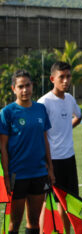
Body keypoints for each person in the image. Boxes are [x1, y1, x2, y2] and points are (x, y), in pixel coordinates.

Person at [0, 70, 55, 234]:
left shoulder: (40, 109)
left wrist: (50, 169)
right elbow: (2, 147)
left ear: (32, 86)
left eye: (28, 85)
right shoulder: (7, 112)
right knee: (15, 222)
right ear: (13, 89)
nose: (25, 90)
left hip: (38, 172)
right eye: (21, 86)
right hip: (17, 175)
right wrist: (7, 176)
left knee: (34, 222)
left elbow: (45, 140)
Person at [38, 61, 82, 234]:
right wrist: (47, 165)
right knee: (46, 204)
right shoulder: (44, 103)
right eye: (61, 77)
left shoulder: (70, 99)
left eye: (68, 76)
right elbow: (40, 134)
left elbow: (78, 116)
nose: (65, 81)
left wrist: (66, 128)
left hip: (69, 160)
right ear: (52, 79)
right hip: (51, 162)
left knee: (68, 203)